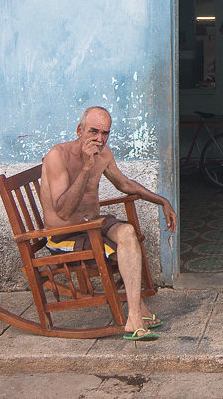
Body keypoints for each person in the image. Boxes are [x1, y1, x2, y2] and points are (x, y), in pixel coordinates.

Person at [40, 106, 177, 341]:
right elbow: (63, 212)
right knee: (122, 247)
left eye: (105, 133)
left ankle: (136, 313)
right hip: (65, 235)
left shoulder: (103, 154)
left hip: (92, 225)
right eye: (94, 131)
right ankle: (136, 314)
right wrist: (85, 167)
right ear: (79, 130)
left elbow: (125, 184)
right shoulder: (58, 156)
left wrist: (162, 201)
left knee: (127, 232)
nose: (99, 139)